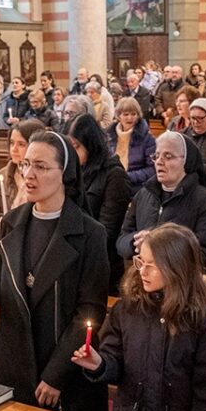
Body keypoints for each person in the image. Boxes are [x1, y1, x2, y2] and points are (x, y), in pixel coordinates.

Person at [0, 131, 110, 411]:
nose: (29, 174)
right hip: (16, 361)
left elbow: (89, 312)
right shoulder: (12, 222)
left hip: (64, 371)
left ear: (65, 173)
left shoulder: (90, 233)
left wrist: (56, 375)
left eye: (41, 167)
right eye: (26, 165)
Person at [73, 223, 206, 411]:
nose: (142, 271)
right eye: (140, 261)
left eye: (152, 265)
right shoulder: (126, 309)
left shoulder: (198, 319)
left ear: (177, 268)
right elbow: (116, 363)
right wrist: (99, 364)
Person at [117, 131, 206, 276]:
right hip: (144, 284)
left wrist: (161, 248)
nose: (160, 162)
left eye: (168, 156)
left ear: (186, 161)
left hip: (184, 289)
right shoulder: (143, 195)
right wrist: (135, 243)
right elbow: (122, 241)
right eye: (156, 156)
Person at [67, 113, 132, 293]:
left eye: (77, 147)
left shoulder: (114, 175)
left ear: (91, 145)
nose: (73, 153)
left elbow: (108, 230)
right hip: (74, 260)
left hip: (102, 264)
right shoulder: (75, 171)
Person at [0, 119, 44, 236]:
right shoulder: (2, 176)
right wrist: (0, 222)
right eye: (12, 143)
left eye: (21, 144)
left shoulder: (44, 176)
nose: (14, 149)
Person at [106, 97, 156, 195]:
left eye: (133, 114)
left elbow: (152, 169)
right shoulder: (108, 136)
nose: (130, 118)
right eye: (126, 114)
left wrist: (126, 176)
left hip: (137, 188)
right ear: (119, 116)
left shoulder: (147, 138)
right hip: (112, 186)